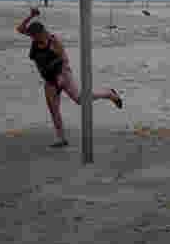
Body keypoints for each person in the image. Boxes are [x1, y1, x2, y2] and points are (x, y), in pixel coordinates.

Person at [16, 8, 122, 148]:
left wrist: (60, 76)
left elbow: (64, 60)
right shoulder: (34, 37)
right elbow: (20, 28)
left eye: (38, 36)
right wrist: (30, 16)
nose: (35, 39)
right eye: (33, 36)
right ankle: (61, 139)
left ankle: (109, 94)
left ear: (43, 33)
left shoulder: (54, 42)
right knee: (53, 109)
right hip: (49, 80)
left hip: (63, 74)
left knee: (80, 100)